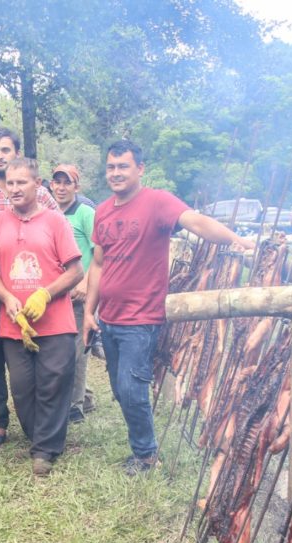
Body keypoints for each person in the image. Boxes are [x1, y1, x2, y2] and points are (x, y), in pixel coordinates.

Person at [83, 139, 255, 475]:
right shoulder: (102, 211)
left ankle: (146, 455)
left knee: (132, 389)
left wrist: (238, 241)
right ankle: (142, 445)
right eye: (111, 167)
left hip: (142, 317)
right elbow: (98, 265)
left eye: (123, 167)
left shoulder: (157, 202)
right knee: (120, 390)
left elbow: (197, 222)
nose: (116, 173)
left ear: (140, 169)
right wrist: (90, 312)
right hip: (110, 317)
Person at [0, 158, 83, 476]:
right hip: (15, 323)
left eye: (21, 182)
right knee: (23, 388)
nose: (15, 189)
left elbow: (76, 271)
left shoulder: (55, 222)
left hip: (55, 322)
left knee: (53, 383)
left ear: (38, 185)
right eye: (10, 183)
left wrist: (45, 294)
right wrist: (6, 297)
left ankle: (45, 449)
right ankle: (39, 435)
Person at [0, 127, 60, 452]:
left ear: (16, 153)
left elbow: (56, 237)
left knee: (31, 360)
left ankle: (43, 422)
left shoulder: (42, 194)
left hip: (28, 291)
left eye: (5, 150)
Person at [50, 163, 97, 423]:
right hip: (57, 294)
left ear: (76, 187)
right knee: (60, 350)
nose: (61, 187)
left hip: (80, 295)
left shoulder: (85, 213)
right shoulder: (48, 213)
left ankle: (75, 407)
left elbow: (101, 252)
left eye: (67, 182)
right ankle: (85, 396)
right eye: (57, 182)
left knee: (78, 351)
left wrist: (86, 284)